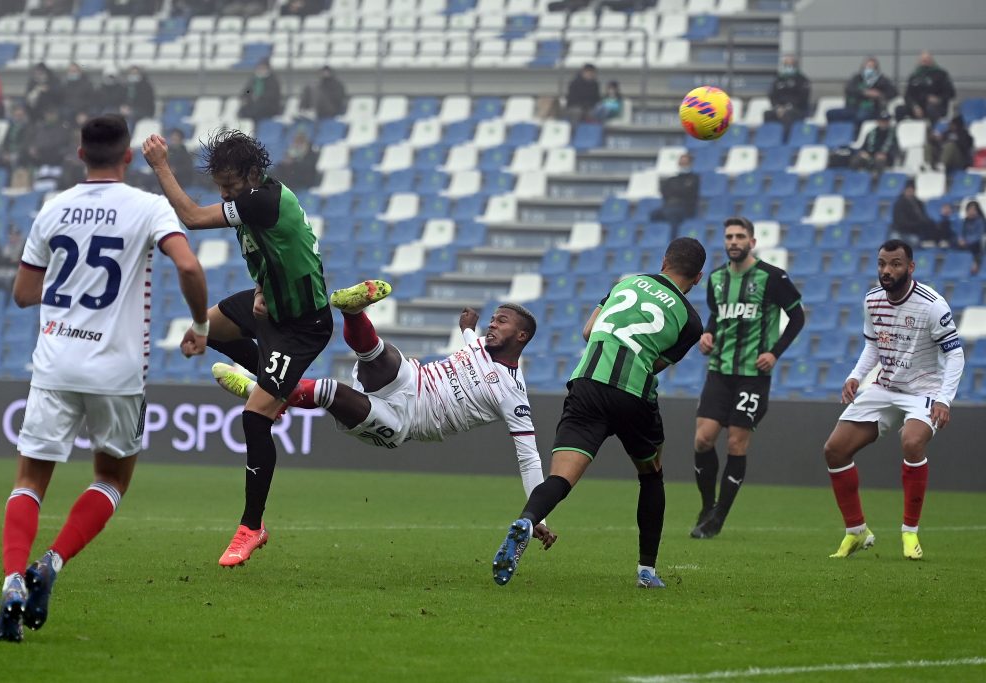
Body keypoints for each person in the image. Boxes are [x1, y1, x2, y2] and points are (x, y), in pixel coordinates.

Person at [0, 114, 209, 643]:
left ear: (78, 153)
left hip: (55, 364)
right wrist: (200, 325)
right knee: (111, 478)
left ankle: (12, 581)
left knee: (28, 481)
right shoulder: (149, 206)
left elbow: (23, 293)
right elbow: (188, 269)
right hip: (116, 370)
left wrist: (73, 285)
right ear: (128, 157)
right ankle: (53, 563)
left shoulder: (54, 207)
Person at [213, 281, 557, 546]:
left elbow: (528, 458)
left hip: (404, 421)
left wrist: (537, 515)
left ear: (522, 336)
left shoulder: (513, 394)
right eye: (493, 319)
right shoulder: (481, 345)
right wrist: (469, 325)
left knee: (329, 392)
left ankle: (266, 393)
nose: (492, 326)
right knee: (380, 354)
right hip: (413, 379)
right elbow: (472, 342)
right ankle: (351, 310)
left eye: (502, 322)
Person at [142, 129, 333, 567]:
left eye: (230, 185)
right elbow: (282, 252)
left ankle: (252, 527)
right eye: (220, 187)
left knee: (254, 418)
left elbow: (189, 217)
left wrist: (161, 166)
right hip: (272, 307)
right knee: (204, 332)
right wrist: (263, 288)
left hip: (302, 326)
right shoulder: (253, 200)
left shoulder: (262, 201)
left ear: (252, 174)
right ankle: (277, 387)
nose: (225, 194)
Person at [491, 237, 707, 589]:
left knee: (560, 479)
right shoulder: (692, 322)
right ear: (697, 278)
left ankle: (528, 520)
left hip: (587, 383)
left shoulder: (626, 282)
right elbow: (654, 363)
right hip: (632, 393)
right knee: (651, 475)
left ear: (663, 260)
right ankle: (646, 571)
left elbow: (589, 330)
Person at [823, 239, 963, 561]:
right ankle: (856, 532)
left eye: (895, 264)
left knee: (912, 442)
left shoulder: (932, 304)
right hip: (885, 387)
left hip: (924, 390)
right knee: (834, 449)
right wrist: (855, 376)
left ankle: (909, 534)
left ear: (910, 267)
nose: (887, 270)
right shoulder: (872, 300)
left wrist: (944, 399)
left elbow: (955, 355)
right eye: (882, 264)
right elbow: (873, 345)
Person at [690, 217, 805, 539]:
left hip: (753, 375)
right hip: (719, 370)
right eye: (729, 236)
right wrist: (708, 334)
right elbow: (718, 313)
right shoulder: (716, 279)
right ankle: (707, 505)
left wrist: (775, 352)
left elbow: (797, 316)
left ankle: (717, 519)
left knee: (737, 442)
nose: (734, 241)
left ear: (752, 242)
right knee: (702, 439)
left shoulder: (772, 277)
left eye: (740, 236)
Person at [830, 57, 897, 125]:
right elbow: (849, 89)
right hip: (853, 108)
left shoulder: (882, 80)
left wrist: (880, 94)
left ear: (876, 68)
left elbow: (893, 92)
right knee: (831, 113)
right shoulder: (857, 78)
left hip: (871, 109)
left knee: (861, 116)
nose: (868, 69)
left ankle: (856, 134)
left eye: (871, 66)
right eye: (867, 66)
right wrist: (865, 92)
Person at [900, 51, 955, 124]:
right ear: (919, 62)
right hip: (918, 107)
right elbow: (908, 95)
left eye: (927, 60)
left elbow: (951, 93)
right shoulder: (914, 76)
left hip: (936, 106)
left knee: (931, 109)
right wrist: (914, 106)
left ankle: (935, 133)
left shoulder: (941, 74)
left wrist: (938, 99)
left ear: (932, 61)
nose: (925, 62)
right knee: (899, 110)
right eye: (923, 60)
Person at [649, 153, 699, 230]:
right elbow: (664, 191)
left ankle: (673, 239)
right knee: (654, 214)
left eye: (685, 163)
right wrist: (680, 190)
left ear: (690, 164)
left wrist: (676, 191)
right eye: (681, 163)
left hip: (684, 207)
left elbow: (688, 193)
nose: (682, 165)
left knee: (673, 214)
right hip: (669, 206)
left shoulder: (694, 178)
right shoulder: (672, 179)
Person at [891, 181, 949, 245]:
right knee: (896, 242)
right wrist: (917, 224)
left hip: (914, 232)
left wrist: (921, 224)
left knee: (915, 241)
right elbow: (900, 222)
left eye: (912, 190)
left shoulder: (918, 203)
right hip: (900, 231)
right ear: (904, 190)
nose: (910, 192)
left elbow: (923, 217)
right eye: (908, 190)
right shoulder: (899, 204)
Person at [765, 54, 811, 135]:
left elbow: (803, 97)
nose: (789, 67)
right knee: (768, 114)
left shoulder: (802, 80)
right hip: (780, 108)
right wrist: (778, 107)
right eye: (786, 65)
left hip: (797, 109)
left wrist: (788, 107)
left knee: (788, 115)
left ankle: (785, 139)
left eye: (791, 65)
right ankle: (770, 138)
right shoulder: (779, 80)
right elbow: (772, 95)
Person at [238, 58, 282, 123]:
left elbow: (271, 95)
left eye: (263, 68)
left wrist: (259, 97)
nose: (261, 70)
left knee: (258, 110)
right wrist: (246, 96)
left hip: (269, 107)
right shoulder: (253, 81)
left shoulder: (273, 81)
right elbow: (248, 91)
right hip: (254, 106)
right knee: (243, 111)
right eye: (259, 68)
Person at [956, 200, 985, 275]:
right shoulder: (964, 221)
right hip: (965, 245)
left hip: (976, 245)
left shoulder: (980, 221)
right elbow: (960, 233)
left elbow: (979, 235)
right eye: (970, 209)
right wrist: (960, 239)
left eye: (973, 210)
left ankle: (975, 264)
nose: (971, 212)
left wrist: (967, 241)